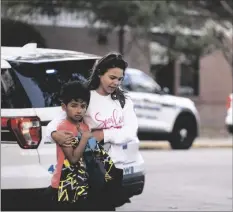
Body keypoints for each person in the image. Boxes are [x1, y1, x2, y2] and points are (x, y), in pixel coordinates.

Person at [45, 52, 140, 209]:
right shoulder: (86, 97)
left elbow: (130, 131)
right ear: (100, 73)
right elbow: (58, 120)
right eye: (112, 77)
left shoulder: (124, 101)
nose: (116, 82)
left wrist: (103, 134)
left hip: (116, 167)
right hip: (91, 168)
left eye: (120, 79)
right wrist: (54, 134)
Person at [47, 81, 92, 211]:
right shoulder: (63, 128)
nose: (79, 110)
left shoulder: (84, 126)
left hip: (80, 182)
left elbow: (91, 150)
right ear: (64, 107)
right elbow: (72, 159)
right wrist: (84, 138)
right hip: (64, 183)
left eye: (83, 106)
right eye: (74, 105)